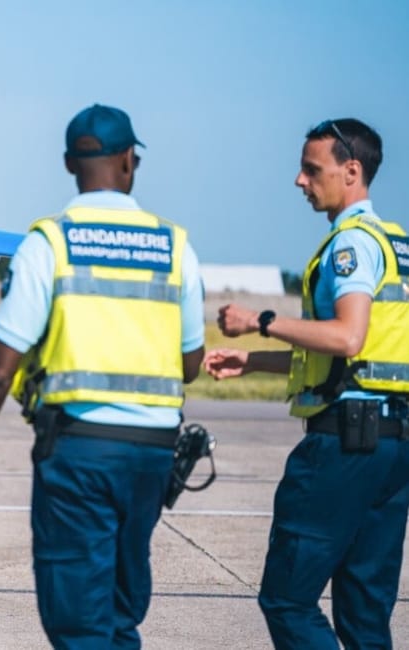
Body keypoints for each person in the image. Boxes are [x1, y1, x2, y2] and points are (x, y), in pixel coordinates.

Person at [0, 104, 205, 648]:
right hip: (153, 454)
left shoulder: (50, 244)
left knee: (77, 622)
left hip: (81, 453)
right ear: (130, 161)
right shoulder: (175, 247)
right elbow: (190, 364)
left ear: (70, 164)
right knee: (119, 615)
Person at [204, 118, 409, 649]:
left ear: (351, 171)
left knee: (288, 600)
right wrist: (254, 361)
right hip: (392, 445)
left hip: (344, 447)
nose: (300, 180)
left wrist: (260, 321)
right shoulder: (397, 246)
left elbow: (348, 338)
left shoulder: (351, 247)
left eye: (311, 169)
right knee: (365, 615)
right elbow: (358, 362)